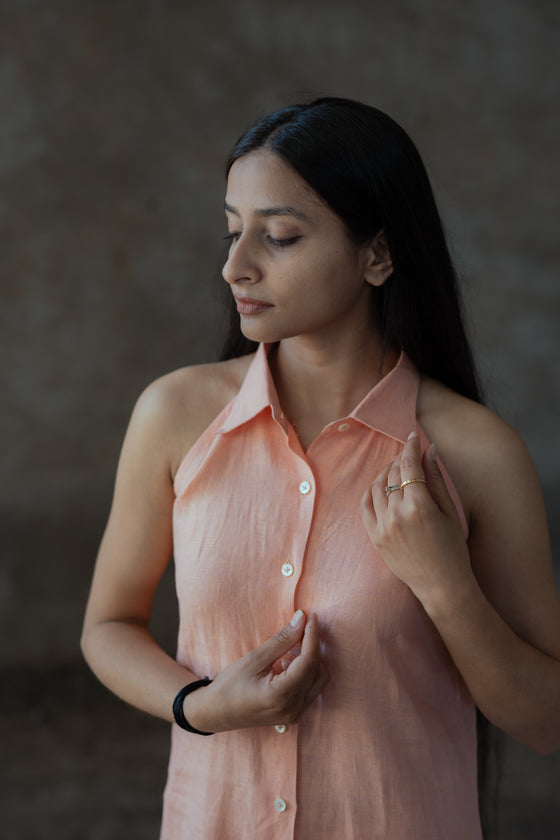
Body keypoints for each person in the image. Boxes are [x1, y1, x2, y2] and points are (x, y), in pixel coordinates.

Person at [81, 97, 560, 839]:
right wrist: (201, 706)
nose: (234, 265)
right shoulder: (174, 415)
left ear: (378, 254)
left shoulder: (475, 454)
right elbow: (107, 626)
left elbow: (545, 720)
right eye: (234, 230)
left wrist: (443, 584)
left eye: (278, 236)